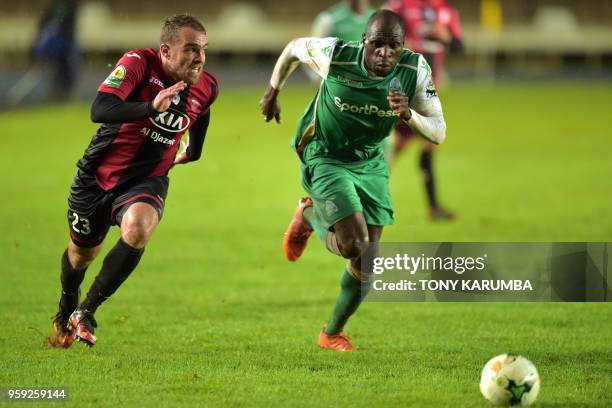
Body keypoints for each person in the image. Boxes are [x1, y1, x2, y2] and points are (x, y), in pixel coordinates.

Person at [260, 10, 446, 352]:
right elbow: (292, 48)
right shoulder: (336, 55)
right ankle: (309, 216)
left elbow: (439, 131)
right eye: (377, 44)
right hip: (326, 153)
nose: (384, 54)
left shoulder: (415, 69)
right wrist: (273, 90)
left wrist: (408, 114)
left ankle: (331, 333)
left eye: (393, 46)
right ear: (364, 42)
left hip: (370, 160)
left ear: (403, 46)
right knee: (353, 243)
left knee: (368, 259)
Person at [47, 14, 218, 348]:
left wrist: (194, 151)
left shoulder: (207, 86)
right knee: (81, 256)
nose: (200, 57)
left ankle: (87, 310)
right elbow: (100, 108)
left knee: (139, 227)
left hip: (147, 181)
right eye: (191, 49)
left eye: (204, 49)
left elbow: (202, 112)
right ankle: (67, 304)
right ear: (166, 51)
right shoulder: (139, 62)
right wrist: (150, 108)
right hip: (98, 177)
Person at [384, 0, 463, 220]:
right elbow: (379, 27)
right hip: (400, 87)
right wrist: (400, 42)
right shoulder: (401, 6)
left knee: (425, 143)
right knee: (392, 144)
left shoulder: (446, 10)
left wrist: (445, 36)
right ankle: (364, 192)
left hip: (428, 91)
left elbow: (458, 45)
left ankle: (433, 207)